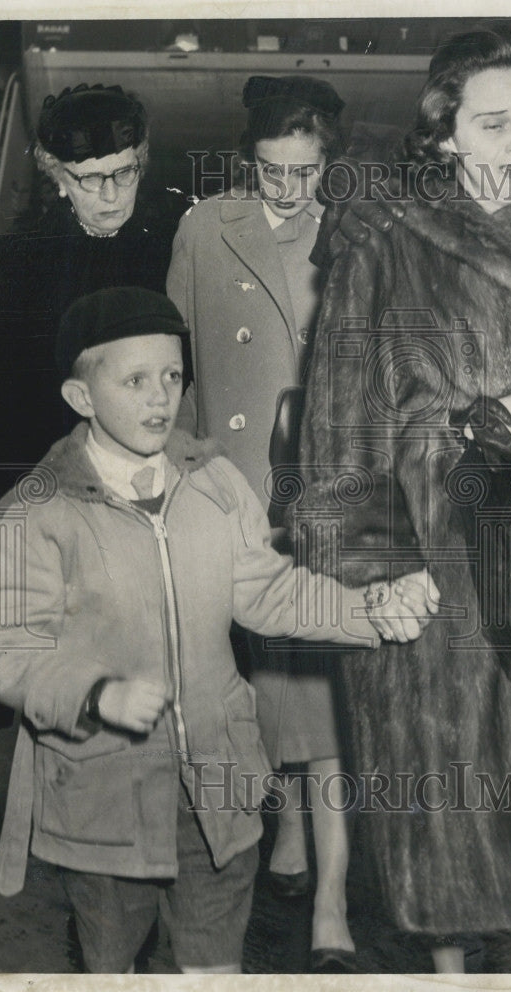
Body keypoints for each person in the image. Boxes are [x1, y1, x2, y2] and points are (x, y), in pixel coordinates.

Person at [296, 28, 511, 973]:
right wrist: (374, 578)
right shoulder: (384, 236)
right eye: (491, 122)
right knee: (445, 829)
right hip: (436, 558)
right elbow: (339, 426)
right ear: (444, 130)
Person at [0, 286, 438, 975]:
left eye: (172, 376)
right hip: (104, 802)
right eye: (134, 381)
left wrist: (369, 610)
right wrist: (94, 694)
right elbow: (0, 647)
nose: (161, 397)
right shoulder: (34, 514)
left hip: (221, 789)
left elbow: (269, 590)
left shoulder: (212, 480)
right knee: (112, 962)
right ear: (80, 397)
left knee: (216, 969)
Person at [166, 74, 359, 971]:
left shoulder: (362, 235)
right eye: (271, 171)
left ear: (331, 161)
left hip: (325, 490)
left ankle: (331, 903)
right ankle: (278, 841)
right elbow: (177, 371)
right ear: (249, 161)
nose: (288, 189)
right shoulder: (205, 227)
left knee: (322, 692)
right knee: (249, 683)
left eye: (305, 172)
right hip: (234, 494)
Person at [0, 83, 193, 558]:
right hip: (50, 500)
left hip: (157, 499)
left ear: (141, 163)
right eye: (89, 178)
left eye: (124, 172)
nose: (111, 194)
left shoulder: (176, 245)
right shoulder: (15, 263)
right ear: (57, 177)